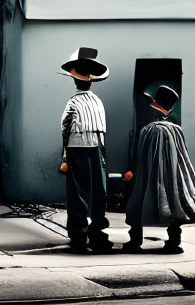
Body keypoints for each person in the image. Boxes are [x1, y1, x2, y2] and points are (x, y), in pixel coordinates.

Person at [122, 83, 195, 254]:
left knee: (135, 204)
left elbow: (140, 158)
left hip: (148, 177)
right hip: (172, 178)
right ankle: (174, 241)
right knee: (176, 204)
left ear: (155, 104)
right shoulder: (176, 130)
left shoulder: (149, 130)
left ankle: (135, 241)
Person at [58, 46, 113, 254]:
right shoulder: (98, 102)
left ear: (75, 80)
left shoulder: (73, 103)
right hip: (97, 151)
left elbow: (65, 130)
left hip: (77, 150)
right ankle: (97, 232)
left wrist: (64, 157)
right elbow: (103, 133)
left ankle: (79, 233)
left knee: (77, 193)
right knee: (99, 192)